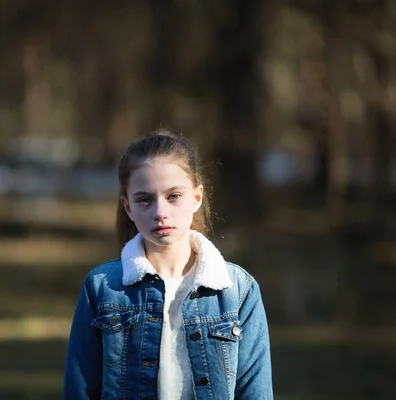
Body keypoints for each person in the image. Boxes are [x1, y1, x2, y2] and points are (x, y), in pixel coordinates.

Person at [63, 129, 273, 399]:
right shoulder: (101, 288)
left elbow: (256, 393)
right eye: (145, 200)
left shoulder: (238, 291)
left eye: (174, 196)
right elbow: (79, 391)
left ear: (196, 198)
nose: (161, 212)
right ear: (128, 208)